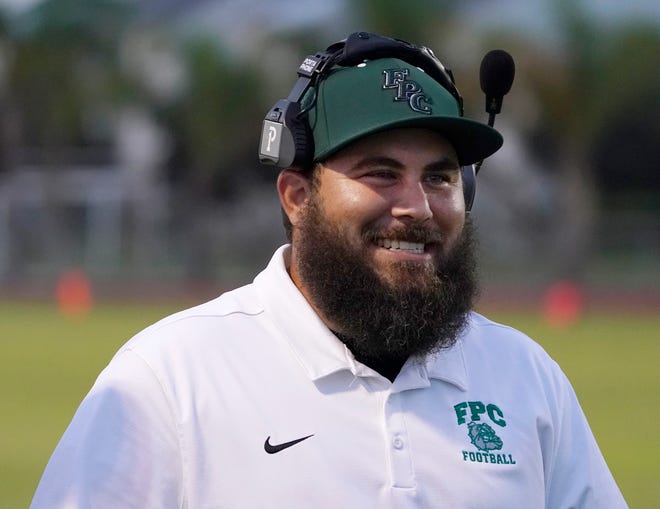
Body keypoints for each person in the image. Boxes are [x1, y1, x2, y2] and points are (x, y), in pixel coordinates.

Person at [31, 32, 627, 508]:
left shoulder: (528, 378)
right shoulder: (168, 380)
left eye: (440, 177)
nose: (416, 206)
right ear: (296, 196)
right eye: (379, 173)